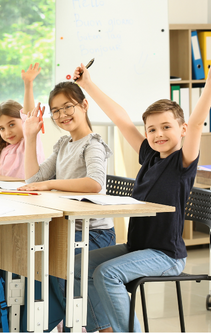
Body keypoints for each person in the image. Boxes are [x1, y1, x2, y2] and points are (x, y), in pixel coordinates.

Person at [73, 63, 211, 332]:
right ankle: (104, 328)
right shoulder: (149, 156)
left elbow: (196, 121)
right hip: (137, 247)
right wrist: (87, 84)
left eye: (166, 127)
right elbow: (121, 118)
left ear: (182, 130)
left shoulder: (183, 163)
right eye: (152, 129)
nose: (158, 134)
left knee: (106, 273)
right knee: (78, 266)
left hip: (166, 255)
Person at [18, 79, 115, 332]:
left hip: (94, 233)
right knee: (35, 259)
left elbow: (95, 183)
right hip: (70, 230)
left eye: (68, 107)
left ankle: (100, 327)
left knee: (62, 265)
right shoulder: (63, 144)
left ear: (84, 105)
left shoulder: (93, 143)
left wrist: (52, 185)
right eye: (55, 111)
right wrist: (29, 137)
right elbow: (33, 179)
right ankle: (57, 323)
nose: (62, 115)